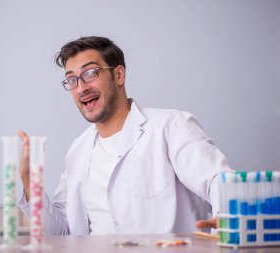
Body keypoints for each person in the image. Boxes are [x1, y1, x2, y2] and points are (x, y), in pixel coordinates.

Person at [18, 36, 232, 235]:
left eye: (90, 73)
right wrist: (29, 181)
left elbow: (217, 178)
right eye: (72, 80)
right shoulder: (78, 150)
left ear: (118, 75)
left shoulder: (170, 126)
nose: (81, 87)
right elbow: (63, 231)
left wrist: (228, 213)